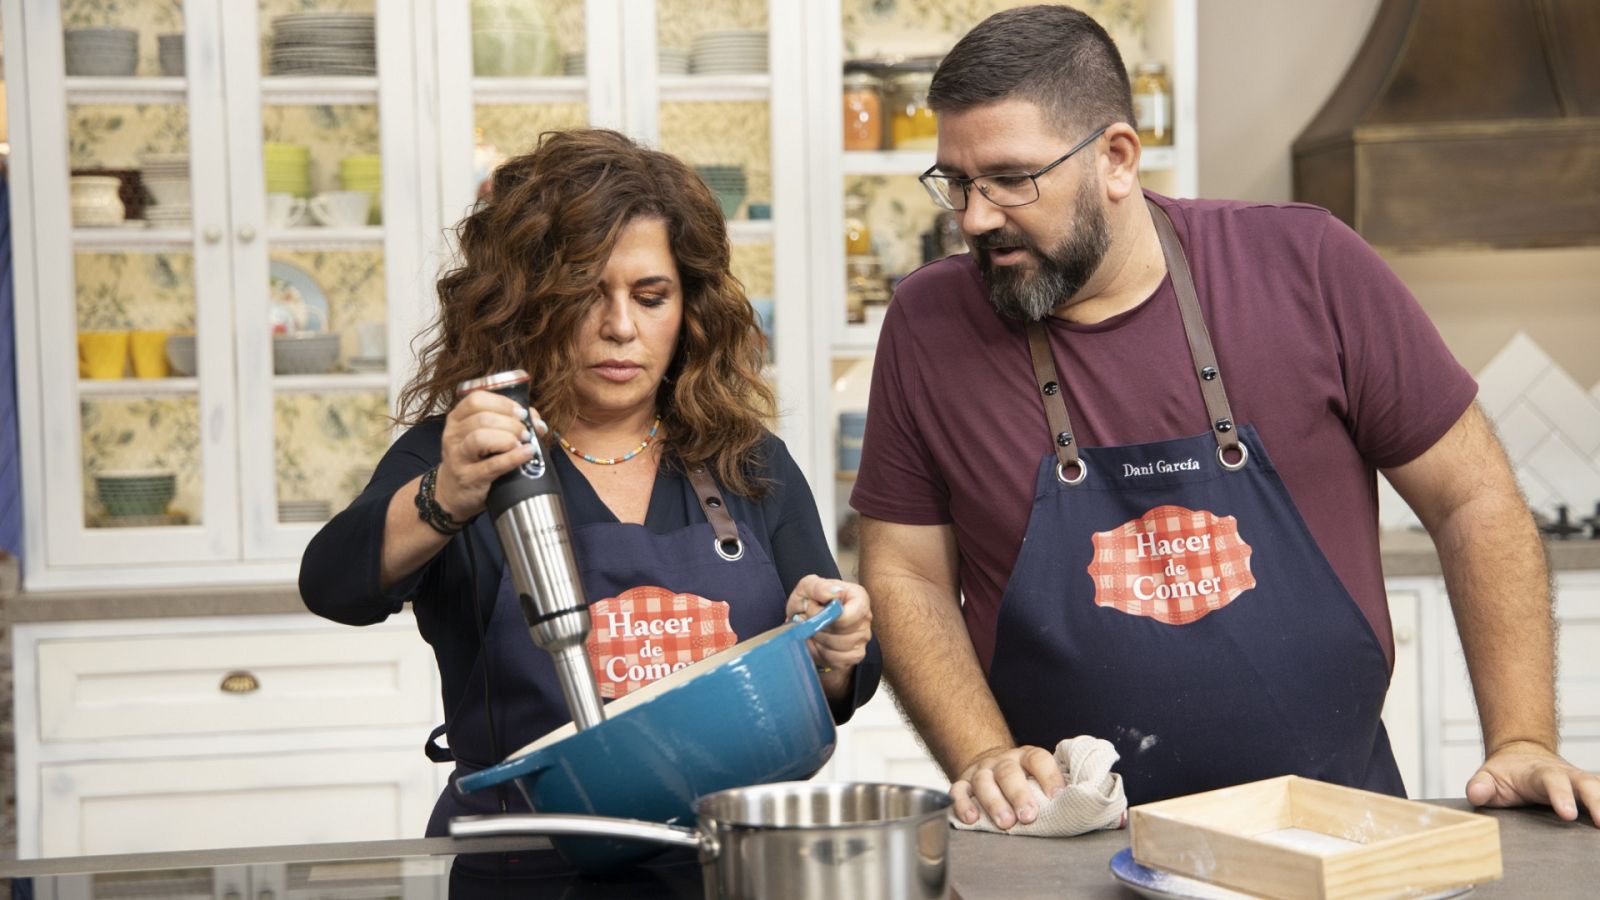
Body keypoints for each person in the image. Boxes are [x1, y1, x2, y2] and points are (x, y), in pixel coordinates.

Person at [852, 4, 1599, 832]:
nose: (975, 216)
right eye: (956, 182)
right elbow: (907, 574)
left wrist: (1524, 736)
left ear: (1117, 158)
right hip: (1065, 848)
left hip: (1334, 833)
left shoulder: (1308, 267)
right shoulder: (928, 324)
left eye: (1010, 178)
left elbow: (1475, 500)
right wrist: (983, 754)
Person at [301, 128, 878, 836]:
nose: (619, 327)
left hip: (725, 858)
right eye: (585, 293)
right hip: (525, 862)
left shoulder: (746, 460)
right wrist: (445, 496)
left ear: (689, 310)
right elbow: (331, 586)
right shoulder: (461, 456)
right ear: (525, 304)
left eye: (651, 295)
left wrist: (835, 650)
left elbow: (842, 676)